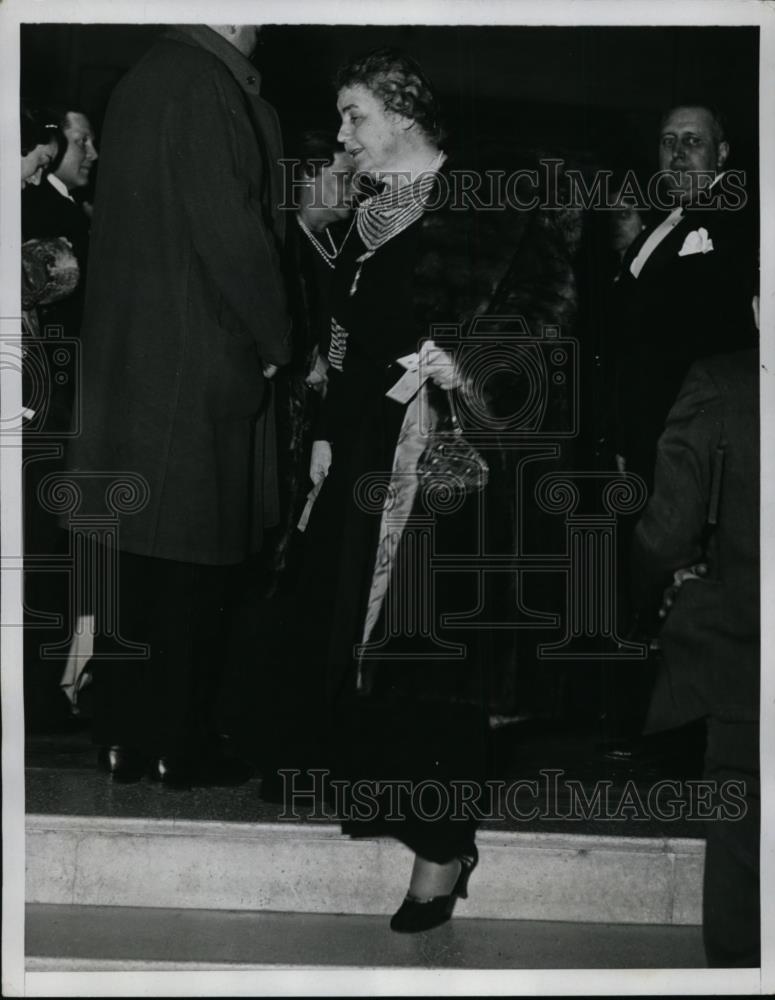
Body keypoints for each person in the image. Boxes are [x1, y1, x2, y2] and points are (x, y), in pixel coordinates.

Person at [286, 49, 528, 933]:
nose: (342, 135)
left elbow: (546, 319)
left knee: (433, 657)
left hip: (441, 459)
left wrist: (470, 362)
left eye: (354, 116)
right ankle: (397, 806)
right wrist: (319, 431)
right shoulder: (364, 214)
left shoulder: (485, 208)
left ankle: (442, 850)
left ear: (401, 112)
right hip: (360, 449)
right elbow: (340, 336)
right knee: (358, 645)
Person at [66, 24, 291, 788]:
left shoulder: (141, 79)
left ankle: (122, 738)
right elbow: (231, 231)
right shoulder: (207, 85)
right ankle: (178, 743)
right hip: (199, 359)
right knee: (198, 564)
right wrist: (276, 336)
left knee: (135, 557)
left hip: (135, 361)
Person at [632, 302, 759, 966]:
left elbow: (666, 532)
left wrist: (644, 583)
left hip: (746, 654)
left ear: (759, 309)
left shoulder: (722, 383)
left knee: (742, 836)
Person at [612, 104, 756, 488]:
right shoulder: (660, 223)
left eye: (693, 141)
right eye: (668, 141)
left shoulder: (740, 217)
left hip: (691, 435)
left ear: (721, 153)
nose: (677, 153)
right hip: (642, 425)